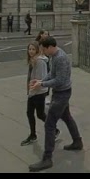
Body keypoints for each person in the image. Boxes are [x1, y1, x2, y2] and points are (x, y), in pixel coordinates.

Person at [28, 36, 83, 172]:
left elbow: (60, 80)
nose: (43, 52)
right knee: (67, 117)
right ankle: (77, 141)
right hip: (60, 93)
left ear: (50, 47)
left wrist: (42, 84)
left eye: (43, 49)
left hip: (62, 94)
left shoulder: (61, 58)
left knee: (50, 124)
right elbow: (52, 73)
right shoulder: (54, 56)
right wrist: (40, 81)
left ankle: (47, 158)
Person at [21, 41, 59, 147]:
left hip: (39, 92)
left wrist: (34, 87)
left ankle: (55, 130)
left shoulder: (40, 62)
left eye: (33, 49)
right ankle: (33, 135)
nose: (31, 51)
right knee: (29, 113)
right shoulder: (33, 60)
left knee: (40, 114)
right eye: (29, 49)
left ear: (37, 50)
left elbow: (42, 78)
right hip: (33, 91)